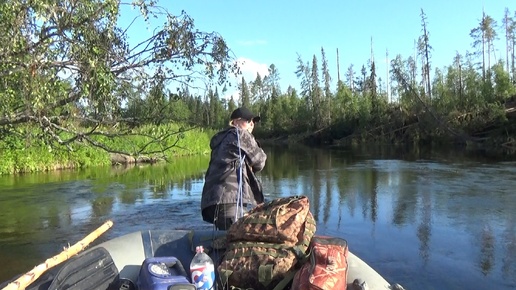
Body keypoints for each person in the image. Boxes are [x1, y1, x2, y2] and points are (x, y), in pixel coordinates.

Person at [201, 107, 267, 230]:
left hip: (212, 203)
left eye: (253, 122)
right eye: (248, 121)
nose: (252, 124)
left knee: (229, 238)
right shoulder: (240, 134)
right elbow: (260, 161)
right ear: (235, 122)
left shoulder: (222, 140)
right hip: (230, 202)